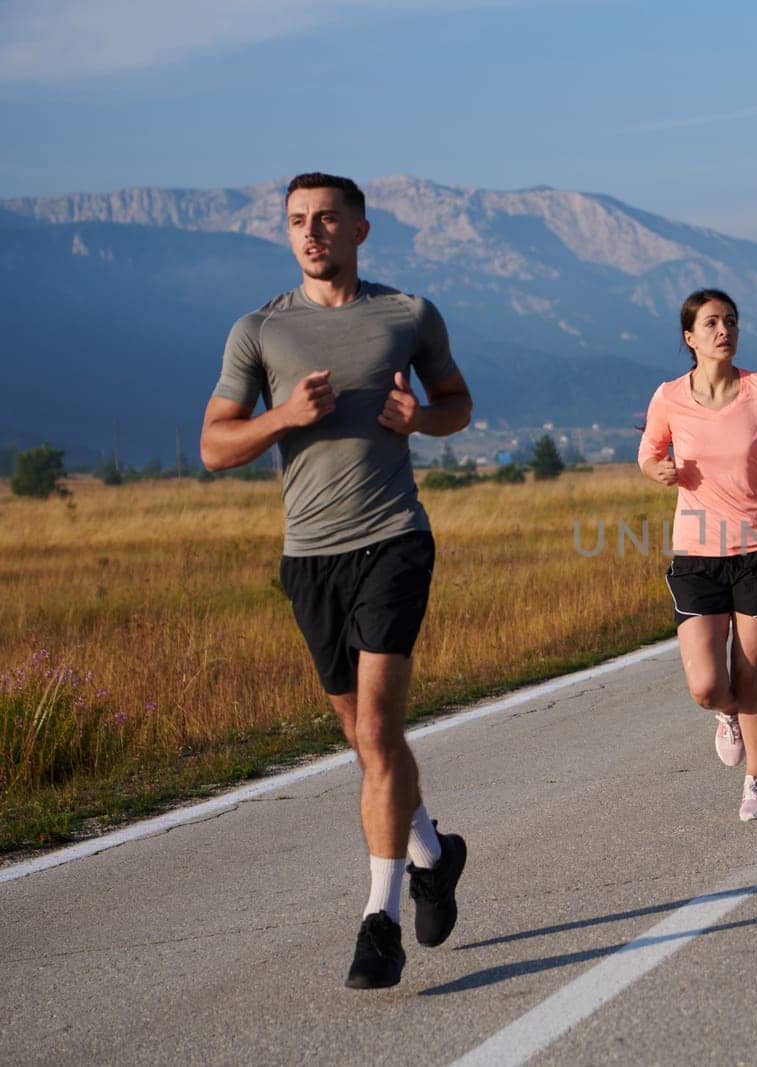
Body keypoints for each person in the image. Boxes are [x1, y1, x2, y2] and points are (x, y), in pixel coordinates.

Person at [200, 173, 473, 990]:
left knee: (382, 730)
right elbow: (214, 447)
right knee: (363, 740)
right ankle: (432, 852)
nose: (311, 232)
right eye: (296, 222)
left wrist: (418, 419)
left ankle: (378, 920)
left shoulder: (408, 315)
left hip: (393, 539)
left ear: (360, 227)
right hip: (308, 555)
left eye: (325, 219)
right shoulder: (261, 330)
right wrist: (282, 416)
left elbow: (457, 401)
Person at [638, 289, 757, 821]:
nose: (724, 330)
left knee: (750, 681)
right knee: (707, 687)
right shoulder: (669, 397)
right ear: (690, 337)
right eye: (712, 323)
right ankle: (726, 716)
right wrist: (658, 470)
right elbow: (648, 453)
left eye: (731, 321)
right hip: (696, 553)